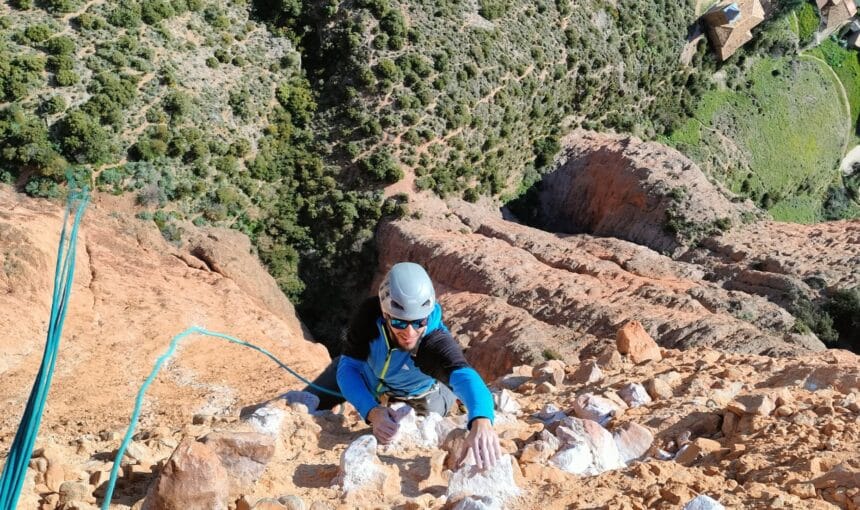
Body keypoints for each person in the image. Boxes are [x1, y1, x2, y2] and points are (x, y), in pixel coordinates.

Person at [304, 262, 501, 469]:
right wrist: (372, 411)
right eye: (399, 322)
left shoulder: (433, 341)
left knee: (406, 432)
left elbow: (465, 375)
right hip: (368, 377)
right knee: (306, 404)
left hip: (418, 396)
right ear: (385, 314)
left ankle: (452, 400)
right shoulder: (369, 317)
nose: (410, 333)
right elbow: (349, 368)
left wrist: (481, 420)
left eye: (418, 322)